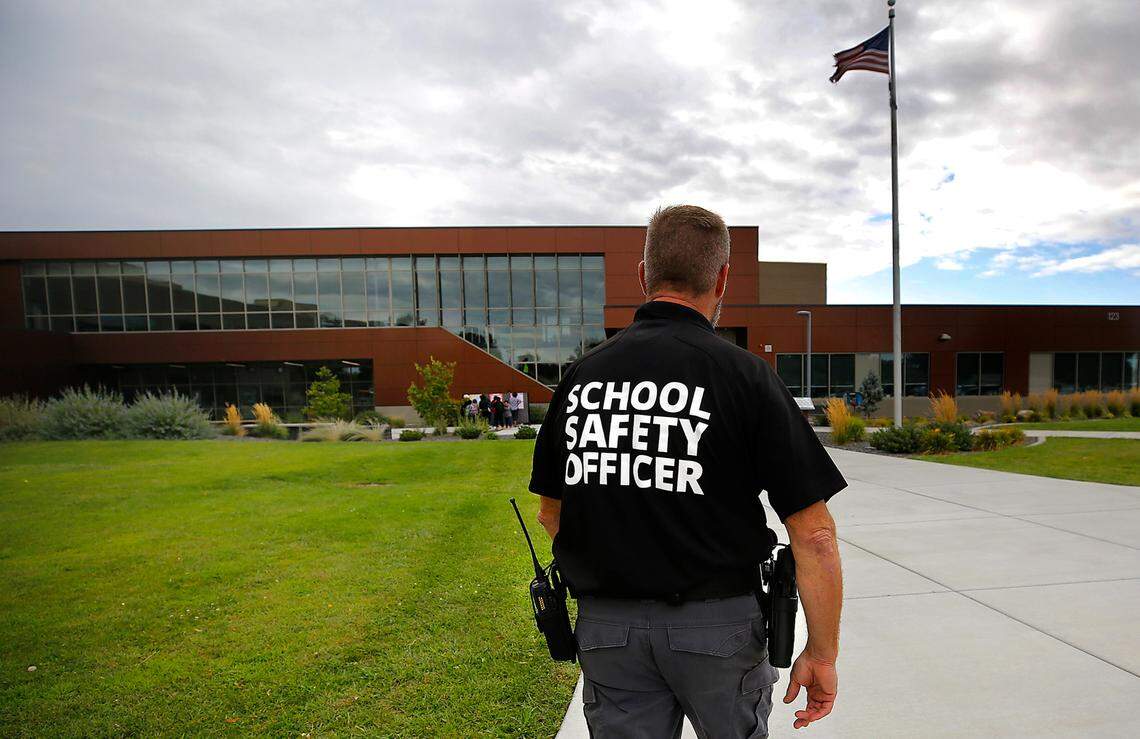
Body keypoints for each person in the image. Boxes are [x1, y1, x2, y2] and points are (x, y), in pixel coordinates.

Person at [528, 205, 846, 738]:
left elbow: (550, 512)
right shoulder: (745, 377)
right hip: (717, 629)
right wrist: (821, 651)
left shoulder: (582, 377)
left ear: (642, 276)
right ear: (722, 278)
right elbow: (813, 533)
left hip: (610, 631)